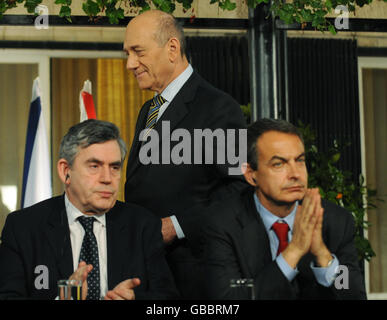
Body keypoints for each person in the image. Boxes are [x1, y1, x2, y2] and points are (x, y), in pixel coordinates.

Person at [123, 10, 247, 298]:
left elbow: (239, 189)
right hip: (149, 275)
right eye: (127, 53)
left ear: (172, 49)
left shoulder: (218, 107)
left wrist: (176, 226)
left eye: (138, 52)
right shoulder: (148, 110)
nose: (130, 64)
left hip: (193, 280)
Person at [0, 119, 178, 300]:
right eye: (94, 166)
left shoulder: (142, 225)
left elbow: (168, 300)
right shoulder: (23, 227)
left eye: (114, 167)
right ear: (65, 171)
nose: (107, 178)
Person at [200, 118, 367, 300]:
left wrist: (323, 255)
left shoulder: (335, 221)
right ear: (251, 175)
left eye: (300, 161)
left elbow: (354, 294)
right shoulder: (222, 223)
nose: (295, 174)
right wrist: (293, 252)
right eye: (279, 164)